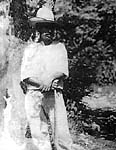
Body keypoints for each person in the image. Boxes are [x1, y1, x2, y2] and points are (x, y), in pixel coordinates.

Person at [20, 6, 72, 150]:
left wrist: (50, 80)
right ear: (38, 29)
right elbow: (25, 74)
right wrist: (41, 83)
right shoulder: (30, 49)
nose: (48, 31)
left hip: (54, 94)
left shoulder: (59, 47)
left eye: (50, 28)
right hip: (34, 94)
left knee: (61, 134)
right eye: (44, 27)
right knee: (39, 134)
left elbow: (62, 70)